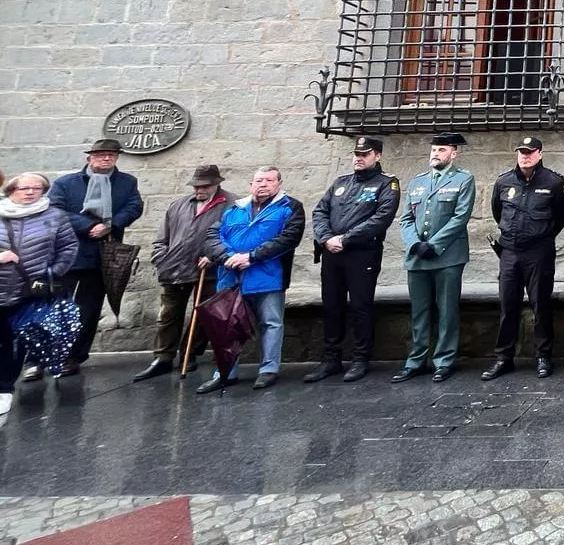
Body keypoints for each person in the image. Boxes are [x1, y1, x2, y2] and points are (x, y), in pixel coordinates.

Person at [196, 167, 305, 393]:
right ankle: (225, 372)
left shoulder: (290, 207)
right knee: (227, 327)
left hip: (268, 277)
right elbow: (212, 236)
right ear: (250, 185)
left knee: (271, 323)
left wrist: (251, 257)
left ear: (278, 184)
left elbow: (287, 239)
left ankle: (268, 370)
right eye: (258, 180)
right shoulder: (235, 208)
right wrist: (227, 256)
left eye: (269, 180)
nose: (263, 184)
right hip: (231, 277)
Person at [305, 137, 399, 385]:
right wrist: (326, 239)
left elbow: (381, 218)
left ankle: (360, 358)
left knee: (360, 306)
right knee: (332, 305)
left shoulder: (387, 184)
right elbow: (320, 212)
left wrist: (345, 239)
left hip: (361, 254)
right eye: (356, 154)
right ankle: (331, 358)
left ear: (377, 156)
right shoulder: (341, 183)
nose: (359, 158)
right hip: (332, 255)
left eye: (365, 154)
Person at [47, 137, 144, 375]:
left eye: (111, 155)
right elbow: (55, 210)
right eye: (101, 154)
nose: (106, 158)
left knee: (88, 311)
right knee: (54, 306)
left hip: (103, 255)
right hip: (67, 254)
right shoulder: (66, 183)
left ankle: (74, 357)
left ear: (117, 157)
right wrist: (87, 226)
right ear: (89, 157)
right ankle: (41, 357)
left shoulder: (127, 182)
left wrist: (111, 225)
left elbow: (134, 207)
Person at [483, 135, 564, 382]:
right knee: (507, 305)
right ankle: (503, 357)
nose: (525, 156)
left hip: (539, 252)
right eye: (522, 152)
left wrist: (541, 236)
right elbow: (497, 212)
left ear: (540, 154)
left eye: (530, 152)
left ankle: (543, 356)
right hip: (510, 251)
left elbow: (561, 215)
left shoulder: (554, 182)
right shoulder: (504, 181)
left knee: (540, 305)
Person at [137, 164, 233, 382]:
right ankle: (162, 357)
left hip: (210, 270)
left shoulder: (231, 205)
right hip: (174, 268)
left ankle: (189, 354)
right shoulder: (179, 204)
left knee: (204, 315)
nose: (199, 190)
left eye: (204, 186)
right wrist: (161, 258)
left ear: (217, 184)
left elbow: (234, 237)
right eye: (195, 186)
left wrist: (215, 256)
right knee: (168, 315)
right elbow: (162, 237)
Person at [394, 133, 475, 385]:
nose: (435, 154)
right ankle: (416, 359)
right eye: (433, 150)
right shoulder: (418, 182)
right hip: (418, 257)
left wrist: (435, 244)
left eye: (441, 150)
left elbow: (460, 217)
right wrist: (415, 244)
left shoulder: (463, 179)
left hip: (448, 256)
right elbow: (406, 218)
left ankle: (444, 359)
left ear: (453, 153)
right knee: (419, 311)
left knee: (447, 310)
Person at [0, 174, 78, 415]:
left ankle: (4, 389)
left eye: (38, 188)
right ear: (11, 189)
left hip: (30, 290)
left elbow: (68, 247)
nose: (31, 192)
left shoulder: (55, 216)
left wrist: (51, 273)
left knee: (15, 341)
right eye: (25, 188)